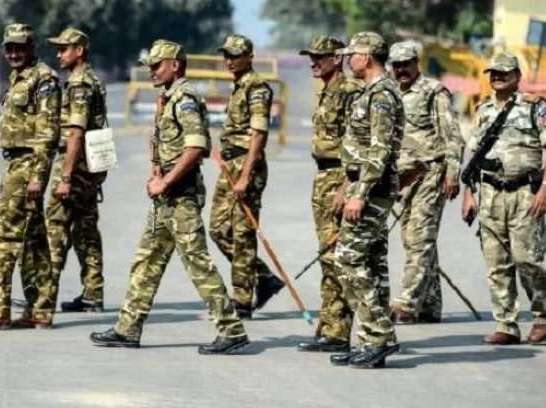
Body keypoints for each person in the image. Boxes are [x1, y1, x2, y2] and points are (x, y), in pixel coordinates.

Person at [90, 40, 248, 354]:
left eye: (157, 64)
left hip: (181, 199)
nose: (151, 70)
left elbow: (196, 146)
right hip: (166, 201)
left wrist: (167, 182)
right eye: (149, 65)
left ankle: (231, 330)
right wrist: (156, 173)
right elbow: (166, 145)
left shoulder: (185, 98)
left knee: (198, 265)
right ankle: (127, 328)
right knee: (145, 262)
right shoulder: (168, 98)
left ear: (175, 64)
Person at [461, 52, 546, 345]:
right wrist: (469, 194)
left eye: (504, 72)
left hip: (524, 194)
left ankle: (545, 314)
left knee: (527, 259)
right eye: (493, 73)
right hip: (491, 194)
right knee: (496, 263)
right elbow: (474, 156)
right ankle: (506, 324)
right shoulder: (483, 110)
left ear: (517, 76)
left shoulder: (535, 106)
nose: (497, 77)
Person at [0, 23, 60, 330]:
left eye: (20, 47)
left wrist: (37, 177)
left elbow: (47, 134)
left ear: (32, 48)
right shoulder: (18, 78)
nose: (14, 53)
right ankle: (40, 309)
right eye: (9, 48)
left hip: (27, 166)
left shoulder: (43, 79)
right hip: (15, 166)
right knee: (34, 241)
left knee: (2, 238)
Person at [328, 32, 404, 368]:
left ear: (369, 56)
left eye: (353, 54)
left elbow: (380, 150)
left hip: (373, 190)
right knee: (370, 263)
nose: (348, 60)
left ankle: (381, 334)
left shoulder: (383, 94)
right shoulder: (371, 92)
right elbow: (360, 152)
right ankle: (370, 341)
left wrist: (359, 194)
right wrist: (347, 186)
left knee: (347, 258)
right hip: (364, 186)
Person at [387, 41, 464, 324]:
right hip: (403, 178)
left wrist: (452, 173)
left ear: (416, 63)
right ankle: (430, 305)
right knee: (413, 239)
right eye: (396, 65)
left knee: (419, 238)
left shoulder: (433, 91)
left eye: (406, 64)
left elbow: (452, 135)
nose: (401, 70)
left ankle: (406, 304)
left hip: (430, 173)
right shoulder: (391, 93)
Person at [208, 34, 284, 319]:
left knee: (242, 233)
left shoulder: (257, 88)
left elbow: (259, 135)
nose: (229, 60)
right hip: (231, 164)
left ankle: (242, 298)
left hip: (246, 166)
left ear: (249, 57)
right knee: (217, 229)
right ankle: (264, 277)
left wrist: (246, 175)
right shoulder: (238, 86)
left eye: (235, 55)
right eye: (226, 55)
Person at [295, 36, 362, 353]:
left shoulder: (349, 93)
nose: (314, 61)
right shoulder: (325, 92)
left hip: (339, 176)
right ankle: (331, 325)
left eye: (320, 56)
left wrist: (347, 186)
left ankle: (343, 330)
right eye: (312, 56)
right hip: (323, 176)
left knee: (337, 255)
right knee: (327, 254)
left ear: (338, 58)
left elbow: (359, 144)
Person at [45, 28, 107, 313]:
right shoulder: (92, 79)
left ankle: (44, 296)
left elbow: (76, 132)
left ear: (79, 50)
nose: (59, 54)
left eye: (64, 49)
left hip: (75, 166)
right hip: (90, 168)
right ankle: (93, 293)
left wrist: (66, 176)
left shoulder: (80, 83)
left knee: (55, 227)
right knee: (86, 230)